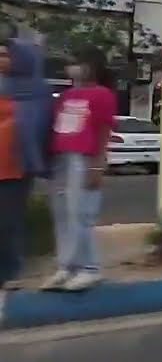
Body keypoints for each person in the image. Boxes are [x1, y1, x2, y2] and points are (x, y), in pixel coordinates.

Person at [43, 47, 117, 292]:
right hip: (61, 158)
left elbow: (104, 130)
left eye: (77, 61)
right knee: (62, 216)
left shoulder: (103, 95)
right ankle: (67, 266)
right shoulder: (66, 96)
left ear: (91, 66)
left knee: (81, 215)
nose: (72, 66)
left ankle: (90, 268)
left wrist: (97, 164)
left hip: (83, 159)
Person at [0, 40, 53, 289]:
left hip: (16, 167)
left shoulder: (38, 91)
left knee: (9, 222)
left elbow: (43, 129)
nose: (2, 60)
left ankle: (10, 272)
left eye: (6, 55)